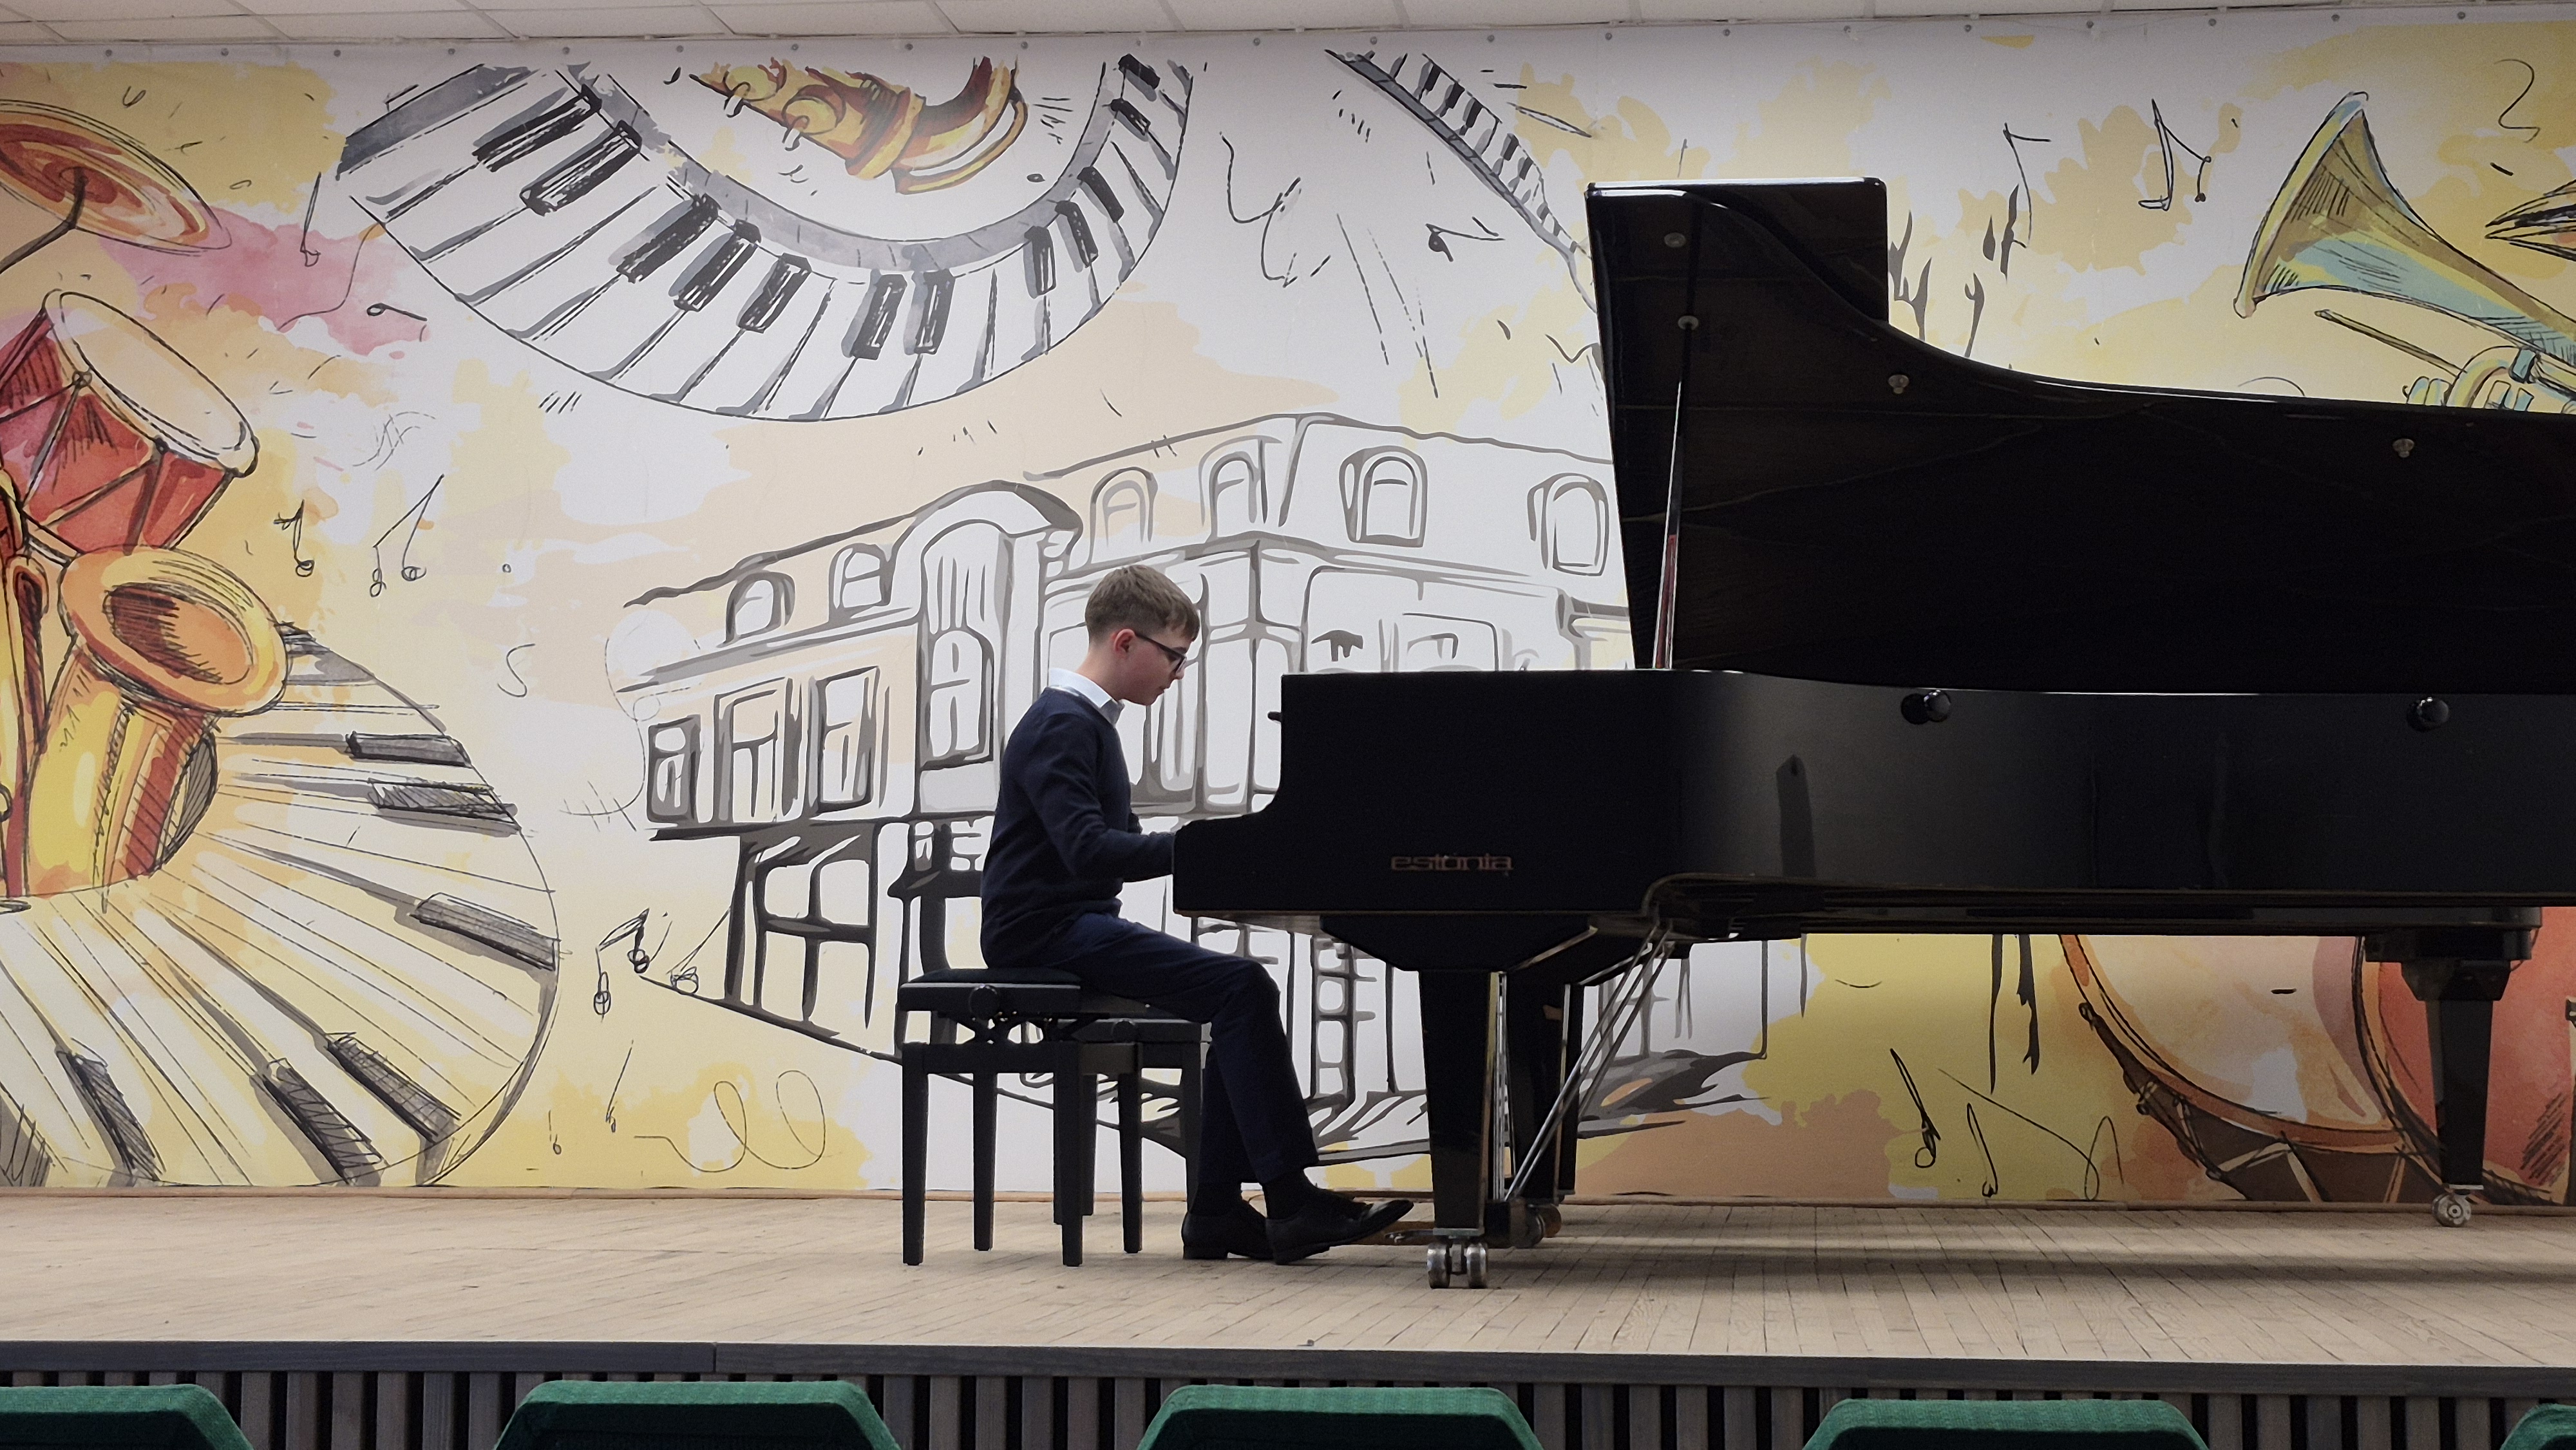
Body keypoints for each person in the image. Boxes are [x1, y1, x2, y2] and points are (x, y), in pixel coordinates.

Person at [980, 563, 1412, 1265]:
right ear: (1126, 641)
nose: (1178, 673)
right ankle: (1288, 1202)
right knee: (1241, 986)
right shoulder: (1063, 724)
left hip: (1067, 922)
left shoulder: (1083, 722)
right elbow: (1087, 850)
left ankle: (1217, 1212)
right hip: (1042, 932)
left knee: (1235, 993)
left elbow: (1100, 847)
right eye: (1174, 656)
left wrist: (1216, 852)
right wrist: (1206, 846)